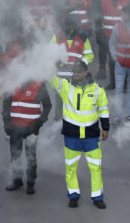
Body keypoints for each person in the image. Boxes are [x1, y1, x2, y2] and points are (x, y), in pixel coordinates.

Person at [48, 60, 110, 210]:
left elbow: (103, 109)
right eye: (74, 71)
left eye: (79, 71)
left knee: (95, 167)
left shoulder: (97, 90)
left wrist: (105, 128)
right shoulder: (65, 87)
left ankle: (97, 197)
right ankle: (73, 196)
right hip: (72, 135)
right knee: (70, 168)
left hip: (91, 136)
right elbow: (50, 77)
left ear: (86, 72)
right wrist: (49, 62)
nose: (75, 74)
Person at [2, 77, 51, 195]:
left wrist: (38, 123)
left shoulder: (39, 85)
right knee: (15, 154)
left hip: (31, 128)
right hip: (15, 128)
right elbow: (6, 104)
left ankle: (30, 182)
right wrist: (7, 123)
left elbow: (47, 105)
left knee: (31, 156)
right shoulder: (12, 83)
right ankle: (17, 180)